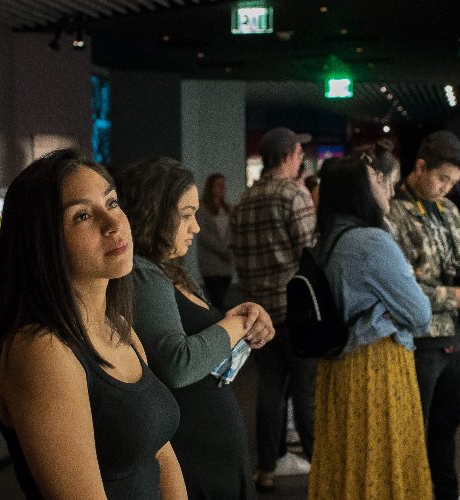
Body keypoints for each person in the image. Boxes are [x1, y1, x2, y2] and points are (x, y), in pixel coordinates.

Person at [0, 149, 186, 499]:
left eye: (112, 203)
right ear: (43, 241)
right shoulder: (42, 351)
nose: (112, 224)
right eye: (82, 217)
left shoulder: (118, 327)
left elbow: (160, 453)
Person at [114, 157, 275, 499]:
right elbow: (178, 362)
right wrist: (236, 323)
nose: (196, 227)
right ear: (154, 213)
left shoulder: (167, 269)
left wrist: (242, 317)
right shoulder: (143, 272)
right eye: (186, 215)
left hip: (211, 450)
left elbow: (203, 347)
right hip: (194, 453)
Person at [306, 153, 433, 500]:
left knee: (347, 462)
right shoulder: (371, 242)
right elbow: (420, 313)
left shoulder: (331, 238)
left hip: (341, 367)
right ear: (358, 190)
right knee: (383, 462)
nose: (384, 184)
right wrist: (386, 315)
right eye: (375, 179)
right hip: (377, 367)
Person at [385, 131, 460, 500]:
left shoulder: (448, 211)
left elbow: (455, 262)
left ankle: (445, 492)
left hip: (456, 334)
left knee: (448, 422)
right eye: (441, 178)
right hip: (420, 338)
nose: (446, 188)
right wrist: (452, 296)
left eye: (453, 182)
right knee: (414, 426)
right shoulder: (392, 212)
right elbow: (400, 288)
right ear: (420, 166)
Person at [231, 127, 319, 491]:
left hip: (258, 314)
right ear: (288, 156)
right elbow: (308, 252)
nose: (301, 158)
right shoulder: (293, 194)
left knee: (269, 392)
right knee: (307, 393)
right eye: (299, 152)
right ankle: (321, 468)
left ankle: (265, 469)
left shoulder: (245, 199)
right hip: (295, 312)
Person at [198, 172, 236, 309]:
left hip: (227, 263)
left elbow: (232, 232)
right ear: (210, 187)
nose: (222, 188)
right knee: (217, 299)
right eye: (218, 185)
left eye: (223, 185)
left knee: (223, 297)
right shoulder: (202, 209)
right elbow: (204, 236)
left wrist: (229, 251)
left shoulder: (228, 209)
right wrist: (222, 251)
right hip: (210, 262)